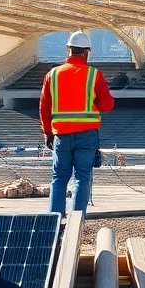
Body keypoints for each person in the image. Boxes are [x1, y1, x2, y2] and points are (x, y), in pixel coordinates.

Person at [40, 31, 115, 216]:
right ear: (87, 51)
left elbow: (43, 107)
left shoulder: (53, 75)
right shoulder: (94, 75)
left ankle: (55, 220)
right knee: (82, 178)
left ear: (68, 50)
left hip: (61, 135)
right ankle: (77, 221)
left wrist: (48, 132)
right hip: (87, 135)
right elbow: (107, 105)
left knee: (59, 178)